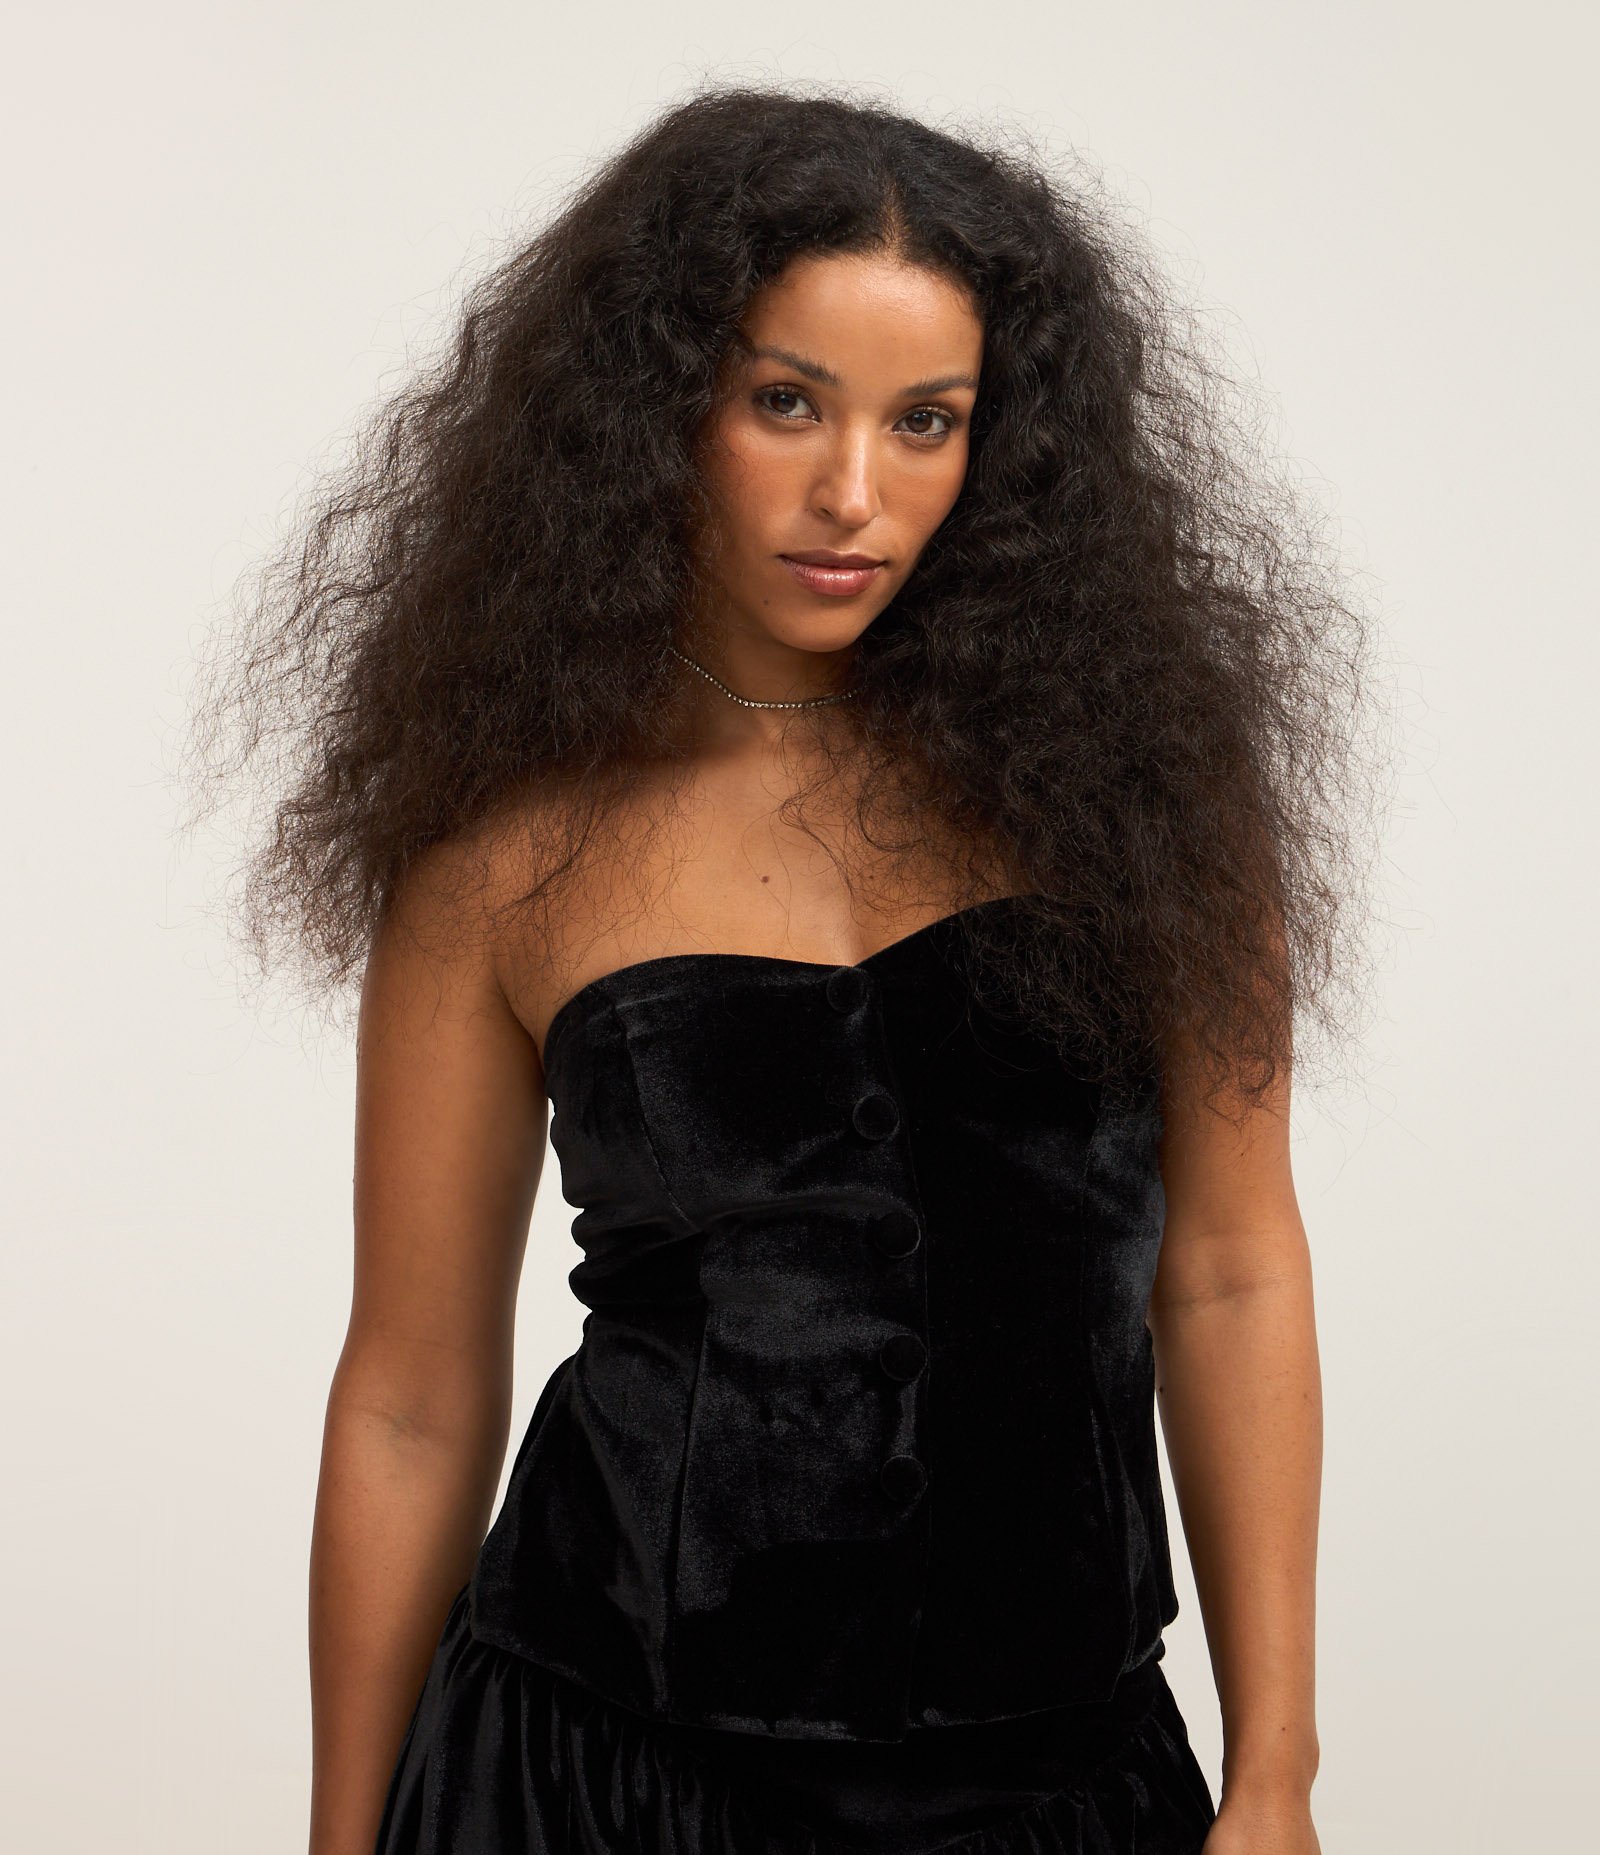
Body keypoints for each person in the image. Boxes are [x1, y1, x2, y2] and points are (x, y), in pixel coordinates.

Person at [186, 82, 1381, 1855]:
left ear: (1005, 450)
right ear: (656, 405)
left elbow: (1229, 1273)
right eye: (786, 402)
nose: (853, 496)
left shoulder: (1147, 805)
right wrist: (344, 1837)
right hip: (593, 1777)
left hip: (1056, 1779)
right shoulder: (500, 857)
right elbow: (415, 1397)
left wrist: (1276, 1765)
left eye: (928, 422)